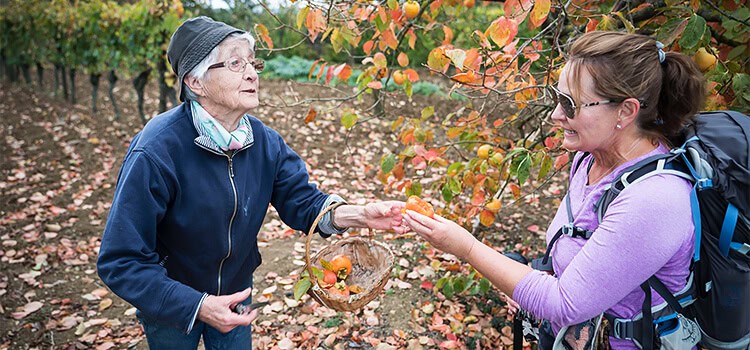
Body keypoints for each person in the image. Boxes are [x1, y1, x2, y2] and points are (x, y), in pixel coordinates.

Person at [96, 16, 405, 349]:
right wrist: (195, 305)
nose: (252, 73)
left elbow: (302, 203)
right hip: (172, 300)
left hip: (236, 291)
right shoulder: (157, 150)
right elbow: (120, 259)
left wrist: (359, 214)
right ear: (195, 82)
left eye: (252, 62)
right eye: (234, 63)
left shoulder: (264, 141)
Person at [402, 31, 705, 349]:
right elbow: (580, 250)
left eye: (570, 104)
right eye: (557, 98)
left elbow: (565, 303)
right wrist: (529, 280)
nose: (555, 115)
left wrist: (465, 248)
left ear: (626, 112)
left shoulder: (655, 200)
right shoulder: (589, 160)